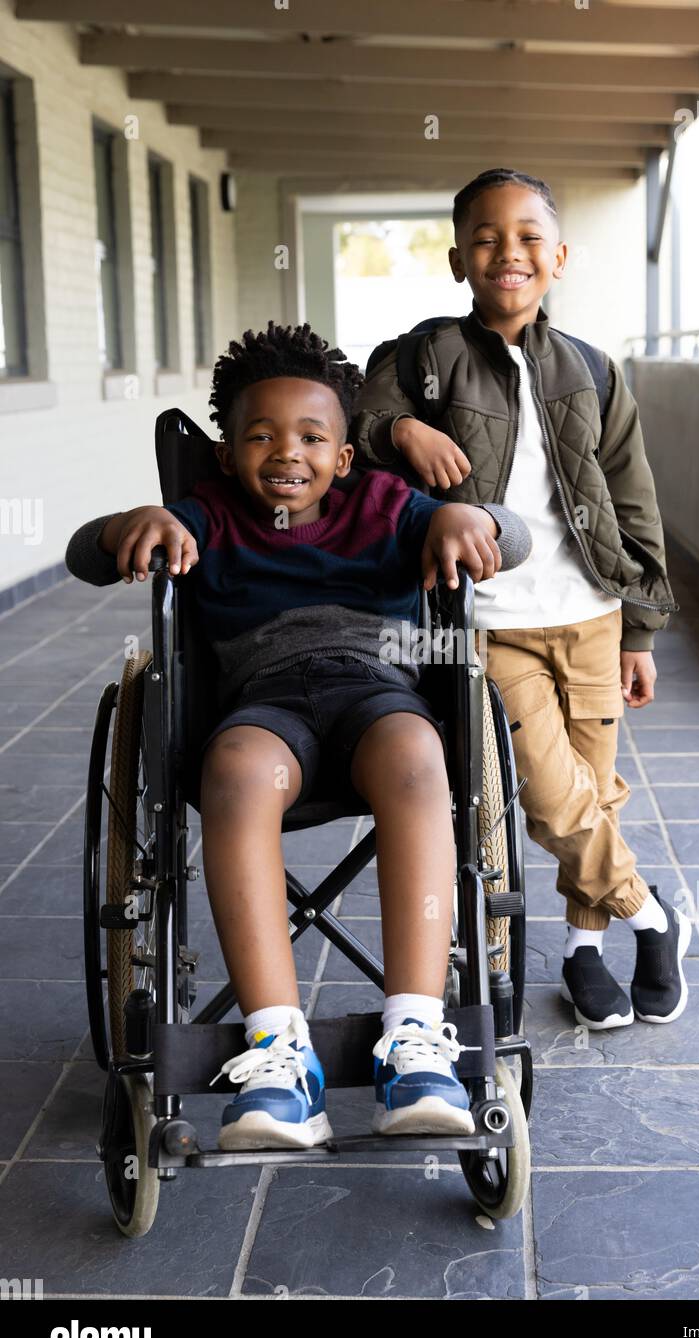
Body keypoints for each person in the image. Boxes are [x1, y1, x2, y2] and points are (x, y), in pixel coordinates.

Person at [65, 322, 531, 1150]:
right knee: (236, 773)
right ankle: (277, 1050)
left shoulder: (387, 506)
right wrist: (128, 524)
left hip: (377, 693)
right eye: (260, 434)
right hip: (265, 704)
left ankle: (415, 1039)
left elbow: (511, 533)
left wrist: (469, 516)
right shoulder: (205, 515)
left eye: (313, 436)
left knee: (420, 759)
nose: (288, 452)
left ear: (345, 456)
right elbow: (83, 554)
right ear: (224, 453)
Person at [352, 168, 692, 1032]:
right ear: (459, 256)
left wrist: (641, 627)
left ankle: (584, 954)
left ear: (559, 256)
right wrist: (401, 428)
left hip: (591, 614)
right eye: (488, 237)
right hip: (491, 623)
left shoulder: (592, 368)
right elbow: (351, 424)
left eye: (530, 237)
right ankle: (651, 916)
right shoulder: (422, 356)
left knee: (595, 790)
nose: (511, 252)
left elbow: (632, 497)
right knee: (547, 796)